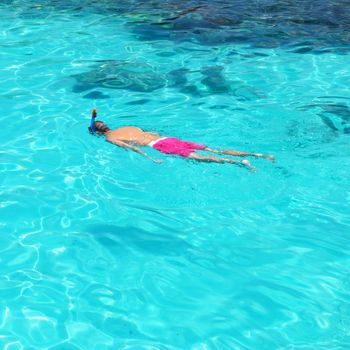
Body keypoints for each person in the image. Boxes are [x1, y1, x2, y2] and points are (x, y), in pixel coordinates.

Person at [90, 119, 274, 171]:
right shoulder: (127, 125)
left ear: (98, 133)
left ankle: (240, 163)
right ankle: (258, 155)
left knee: (202, 159)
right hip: (169, 139)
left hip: (161, 146)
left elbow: (132, 147)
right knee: (213, 149)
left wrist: (150, 157)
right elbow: (152, 133)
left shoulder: (109, 138)